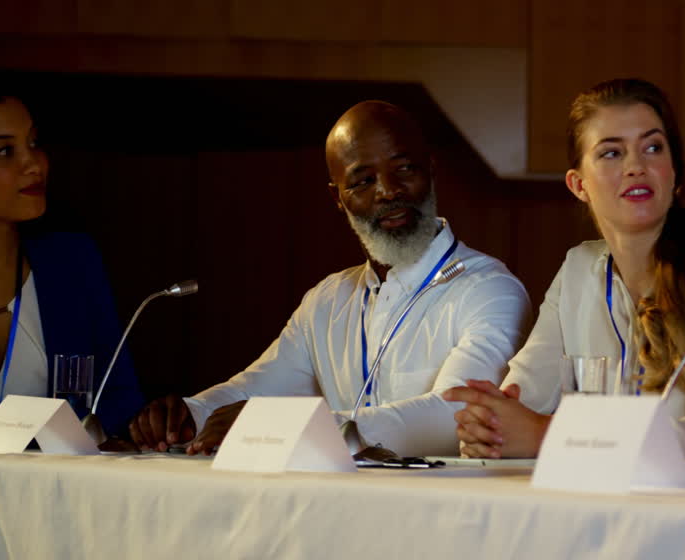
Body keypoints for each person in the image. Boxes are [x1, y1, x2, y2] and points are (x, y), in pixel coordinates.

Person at [129, 101, 530, 457]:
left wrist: (291, 426)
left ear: (431, 169)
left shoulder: (489, 290)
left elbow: (455, 413)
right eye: (362, 181)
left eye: (404, 169)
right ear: (338, 198)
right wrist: (190, 414)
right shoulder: (328, 299)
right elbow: (257, 388)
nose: (388, 191)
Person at [444, 78, 685, 468]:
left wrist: (549, 435)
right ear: (579, 185)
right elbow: (523, 398)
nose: (636, 166)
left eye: (652, 147)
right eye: (612, 153)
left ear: (675, 172)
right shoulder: (578, 270)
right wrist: (491, 426)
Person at [0, 79, 143, 447]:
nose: (34, 164)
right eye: (4, 151)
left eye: (33, 143)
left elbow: (120, 409)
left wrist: (2, 428)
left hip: (54, 499)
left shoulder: (72, 263)